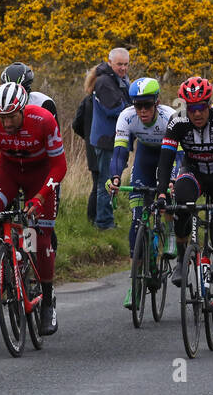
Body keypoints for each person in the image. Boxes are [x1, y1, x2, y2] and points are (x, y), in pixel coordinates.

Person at [0, 81, 66, 336]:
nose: (6, 124)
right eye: (1, 117)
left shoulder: (43, 120)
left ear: (23, 109)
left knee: (39, 238)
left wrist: (40, 197)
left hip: (39, 175)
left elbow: (59, 167)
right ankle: (1, 259)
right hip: (7, 170)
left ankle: (48, 300)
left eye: (11, 117)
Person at [156, 76, 213, 333]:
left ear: (209, 104)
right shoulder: (177, 122)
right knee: (180, 201)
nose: (197, 113)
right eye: (191, 108)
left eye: (201, 107)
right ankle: (183, 259)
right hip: (193, 173)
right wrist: (161, 194)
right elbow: (165, 160)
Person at [108, 78, 175, 309]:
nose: (143, 111)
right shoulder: (126, 117)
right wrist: (115, 177)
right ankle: (134, 285)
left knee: (167, 197)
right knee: (137, 222)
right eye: (138, 106)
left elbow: (180, 156)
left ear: (157, 102)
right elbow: (119, 152)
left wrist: (172, 180)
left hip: (169, 156)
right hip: (145, 159)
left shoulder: (170, 117)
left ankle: (170, 231)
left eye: (147, 105)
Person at [89, 48, 131, 229]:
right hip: (107, 139)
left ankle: (102, 219)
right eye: (119, 64)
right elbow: (116, 109)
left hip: (112, 138)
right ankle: (104, 222)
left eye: (126, 64)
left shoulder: (118, 80)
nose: (123, 68)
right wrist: (132, 106)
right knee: (106, 183)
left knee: (106, 181)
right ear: (110, 62)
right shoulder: (105, 82)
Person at [70, 77, 102, 226]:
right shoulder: (103, 102)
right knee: (100, 186)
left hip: (92, 148)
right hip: (102, 147)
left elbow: (76, 124)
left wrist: (88, 137)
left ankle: (93, 220)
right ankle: (96, 220)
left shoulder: (87, 100)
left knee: (97, 184)